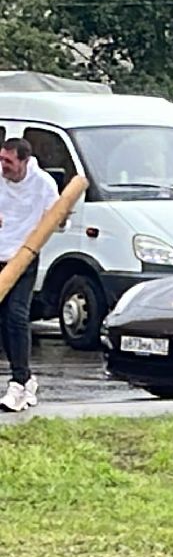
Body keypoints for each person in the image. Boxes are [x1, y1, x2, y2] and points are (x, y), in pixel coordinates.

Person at [0, 137, 57, 411]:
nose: (4, 166)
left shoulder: (43, 183)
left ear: (24, 161)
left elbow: (56, 218)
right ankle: (26, 379)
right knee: (3, 320)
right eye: (1, 160)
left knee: (16, 316)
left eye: (9, 162)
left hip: (24, 256)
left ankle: (19, 382)